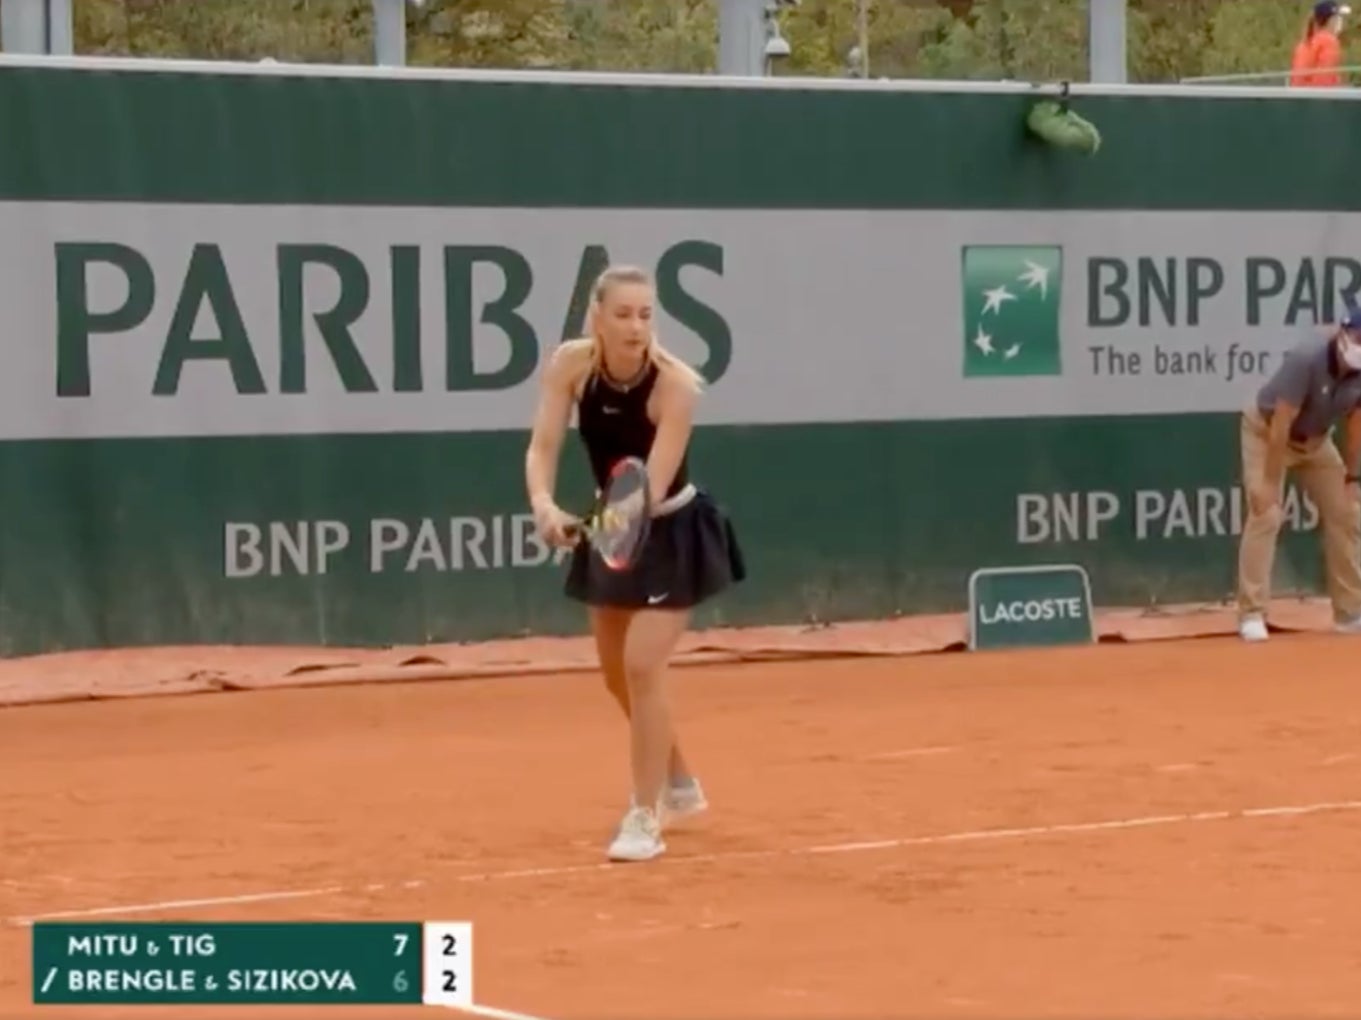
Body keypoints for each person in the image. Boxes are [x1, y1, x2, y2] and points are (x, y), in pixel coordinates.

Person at [524, 264, 745, 862]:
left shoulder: (675, 387)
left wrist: (591, 525)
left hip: (671, 530)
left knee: (644, 667)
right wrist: (545, 505)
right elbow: (542, 447)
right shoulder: (571, 365)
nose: (636, 326)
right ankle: (680, 780)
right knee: (616, 675)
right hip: (613, 523)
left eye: (646, 315)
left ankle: (644, 817)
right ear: (596, 318)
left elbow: (647, 491)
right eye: (623, 314)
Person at [1236, 312, 1361, 642]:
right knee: (1267, 512)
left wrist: (1353, 477)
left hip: (1317, 441)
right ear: (1344, 333)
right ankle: (1252, 613)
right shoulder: (1307, 357)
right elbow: (1280, 424)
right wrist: (1268, 482)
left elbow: (1356, 422)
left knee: (1347, 514)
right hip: (1268, 433)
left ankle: (1350, 613)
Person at [1291, 1, 1350, 87]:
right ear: (1330, 20)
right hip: (1318, 97)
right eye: (1338, 17)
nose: (1340, 21)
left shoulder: (1304, 42)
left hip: (1299, 96)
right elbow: (1325, 78)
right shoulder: (1329, 41)